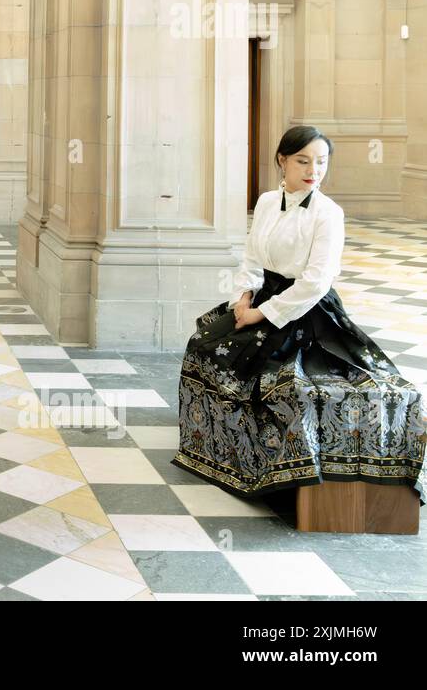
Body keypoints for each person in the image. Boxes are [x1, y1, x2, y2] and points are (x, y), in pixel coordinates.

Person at [173, 125, 426, 502]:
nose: (314, 170)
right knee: (202, 345)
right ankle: (215, 450)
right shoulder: (264, 202)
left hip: (307, 310)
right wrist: (243, 299)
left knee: (284, 381)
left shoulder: (328, 213)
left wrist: (262, 315)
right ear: (282, 161)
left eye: (321, 162)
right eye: (303, 161)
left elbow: (316, 282)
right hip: (261, 295)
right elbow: (253, 258)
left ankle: (281, 473)